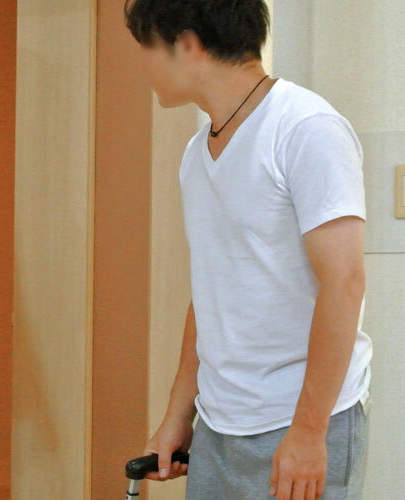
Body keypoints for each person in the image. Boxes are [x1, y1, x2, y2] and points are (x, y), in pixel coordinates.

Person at [123, 1, 372, 499]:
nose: (143, 64)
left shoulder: (306, 128)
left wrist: (309, 432)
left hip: (301, 419)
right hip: (219, 422)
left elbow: (344, 283)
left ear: (187, 45)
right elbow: (211, 294)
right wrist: (178, 415)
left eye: (147, 46)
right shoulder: (197, 153)